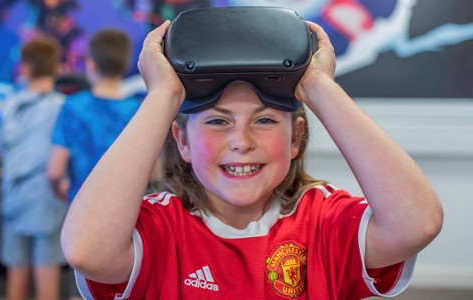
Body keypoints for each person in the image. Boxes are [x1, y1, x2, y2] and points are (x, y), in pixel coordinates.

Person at [60, 19, 443, 299]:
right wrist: (162, 95)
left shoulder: (324, 222)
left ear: (296, 139)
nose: (240, 141)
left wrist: (318, 85)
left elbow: (417, 223)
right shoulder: (160, 229)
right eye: (217, 121)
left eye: (263, 120)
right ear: (183, 142)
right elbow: (85, 250)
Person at [47, 28, 142, 299]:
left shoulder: (73, 106)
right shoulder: (138, 110)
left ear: (90, 63)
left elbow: (54, 170)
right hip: (132, 216)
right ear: (125, 65)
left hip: (82, 212)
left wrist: (64, 190)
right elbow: (156, 171)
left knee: (84, 287)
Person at [0, 35, 68, 300]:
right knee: (46, 277)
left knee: (16, 277)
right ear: (58, 67)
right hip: (49, 201)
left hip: (14, 200)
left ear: (24, 67)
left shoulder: (10, 106)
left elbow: (4, 151)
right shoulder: (63, 107)